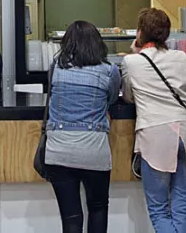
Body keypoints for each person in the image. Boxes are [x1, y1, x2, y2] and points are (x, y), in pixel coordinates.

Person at [121, 8, 186, 233]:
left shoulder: (131, 62)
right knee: (181, 204)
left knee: (159, 209)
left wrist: (135, 53)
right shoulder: (181, 57)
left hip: (155, 137)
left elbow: (128, 97)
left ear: (140, 32)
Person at [45, 21, 122, 233]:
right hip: (93, 149)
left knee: (70, 218)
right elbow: (112, 99)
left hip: (59, 150)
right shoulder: (110, 70)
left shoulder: (56, 68)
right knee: (98, 208)